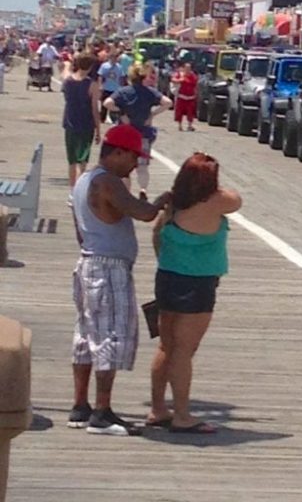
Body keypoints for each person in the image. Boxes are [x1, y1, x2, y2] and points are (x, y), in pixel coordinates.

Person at [69, 124, 172, 435]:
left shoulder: (83, 180)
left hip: (88, 261)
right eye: (132, 158)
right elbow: (142, 213)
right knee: (111, 336)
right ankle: (102, 411)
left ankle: (80, 405)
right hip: (108, 267)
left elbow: (78, 229)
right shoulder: (107, 183)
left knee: (86, 336)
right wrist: (161, 200)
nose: (134, 164)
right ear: (117, 153)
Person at [149, 152, 242, 433]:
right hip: (198, 283)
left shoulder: (172, 206)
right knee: (184, 351)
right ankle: (182, 415)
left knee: (166, 346)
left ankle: (157, 408)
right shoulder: (215, 202)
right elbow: (237, 199)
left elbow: (156, 237)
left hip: (167, 278)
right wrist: (211, 186)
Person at [104, 63, 172, 193]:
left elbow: (107, 103)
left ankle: (125, 193)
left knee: (124, 168)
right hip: (143, 134)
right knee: (142, 167)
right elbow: (168, 102)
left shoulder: (123, 91)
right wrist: (152, 114)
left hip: (125, 134)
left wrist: (121, 112)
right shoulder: (150, 92)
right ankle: (143, 190)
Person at [62, 52, 101, 188]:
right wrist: (98, 130)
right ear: (90, 67)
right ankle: (79, 190)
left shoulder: (68, 80)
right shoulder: (92, 85)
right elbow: (95, 109)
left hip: (70, 121)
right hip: (86, 123)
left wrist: (68, 63)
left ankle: (72, 191)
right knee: (82, 160)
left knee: (71, 160)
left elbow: (65, 69)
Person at [97, 48, 125, 123]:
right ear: (110, 57)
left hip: (115, 89)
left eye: (116, 57)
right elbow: (100, 76)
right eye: (113, 57)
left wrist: (122, 87)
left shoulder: (119, 67)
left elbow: (121, 77)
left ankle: (114, 118)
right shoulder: (104, 66)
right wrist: (100, 86)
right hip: (106, 87)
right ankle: (102, 119)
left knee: (114, 104)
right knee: (104, 104)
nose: (114, 59)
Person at [172, 62, 198, 132]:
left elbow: (195, 85)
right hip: (181, 96)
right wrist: (179, 80)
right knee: (179, 112)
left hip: (190, 97)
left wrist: (196, 94)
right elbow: (173, 79)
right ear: (183, 68)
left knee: (190, 112)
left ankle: (189, 125)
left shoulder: (193, 76)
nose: (188, 69)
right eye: (186, 68)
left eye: (189, 68)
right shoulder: (180, 74)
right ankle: (180, 126)